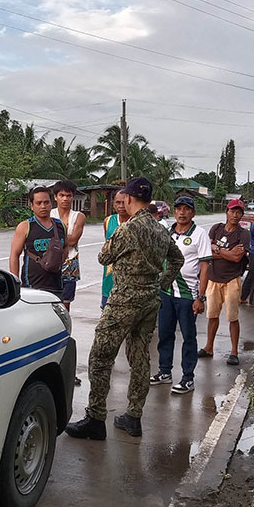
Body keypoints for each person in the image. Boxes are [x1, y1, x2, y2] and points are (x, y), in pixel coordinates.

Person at [66, 177, 183, 440]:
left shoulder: (129, 228)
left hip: (124, 300)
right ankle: (134, 416)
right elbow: (177, 258)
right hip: (150, 301)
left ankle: (96, 417)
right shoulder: (159, 228)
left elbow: (103, 257)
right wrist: (162, 282)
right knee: (140, 358)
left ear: (129, 199)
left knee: (100, 357)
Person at [150, 196, 211, 394]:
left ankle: (187, 378)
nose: (182, 213)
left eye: (186, 209)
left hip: (187, 295)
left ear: (193, 213)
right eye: (178, 209)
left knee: (188, 337)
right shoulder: (167, 232)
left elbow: (204, 266)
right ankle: (165, 371)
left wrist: (200, 297)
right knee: (165, 333)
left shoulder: (200, 234)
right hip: (166, 292)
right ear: (173, 211)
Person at [199, 200, 250, 366]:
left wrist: (217, 248)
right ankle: (208, 347)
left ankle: (234, 351)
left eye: (238, 212)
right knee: (212, 315)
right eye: (232, 211)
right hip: (213, 279)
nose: (235, 215)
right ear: (226, 212)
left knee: (232, 317)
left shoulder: (243, 234)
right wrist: (225, 252)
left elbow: (237, 258)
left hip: (232, 280)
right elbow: (206, 253)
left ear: (241, 214)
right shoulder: (216, 228)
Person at [9, 186, 65, 299]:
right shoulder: (25, 226)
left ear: (51, 204)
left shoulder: (60, 226)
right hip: (32, 287)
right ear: (32, 205)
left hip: (56, 286)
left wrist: (56, 263)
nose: (43, 206)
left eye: (46, 202)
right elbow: (14, 255)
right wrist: (15, 282)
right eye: (38, 203)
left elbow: (66, 247)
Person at [50, 180, 86, 311]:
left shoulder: (78, 216)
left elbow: (73, 241)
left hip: (70, 263)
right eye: (61, 195)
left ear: (72, 197)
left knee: (65, 305)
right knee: (48, 300)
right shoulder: (49, 214)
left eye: (68, 195)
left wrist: (54, 239)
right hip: (49, 263)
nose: (65, 198)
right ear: (55, 197)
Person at [100, 192, 131, 309]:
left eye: (124, 202)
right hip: (109, 277)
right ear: (113, 204)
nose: (121, 206)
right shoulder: (108, 221)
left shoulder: (136, 223)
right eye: (118, 202)